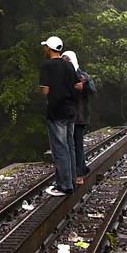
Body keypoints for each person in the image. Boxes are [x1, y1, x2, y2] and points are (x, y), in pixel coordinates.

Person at [38, 36, 79, 195]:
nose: (44, 50)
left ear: (49, 48)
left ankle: (64, 186)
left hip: (56, 112)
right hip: (71, 110)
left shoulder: (46, 66)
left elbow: (45, 91)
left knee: (59, 149)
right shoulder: (69, 65)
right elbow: (77, 85)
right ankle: (71, 181)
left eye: (45, 47)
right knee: (70, 146)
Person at [62, 50, 96, 186]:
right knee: (66, 145)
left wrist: (85, 84)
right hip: (65, 115)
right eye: (63, 59)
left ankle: (79, 174)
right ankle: (73, 171)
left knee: (77, 145)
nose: (66, 62)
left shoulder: (82, 75)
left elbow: (92, 90)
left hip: (79, 116)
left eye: (68, 59)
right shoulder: (61, 76)